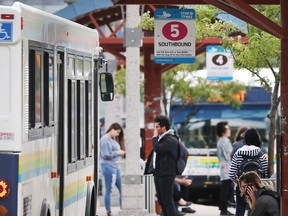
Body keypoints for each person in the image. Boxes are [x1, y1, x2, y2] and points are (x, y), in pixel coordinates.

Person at [229, 127, 269, 216]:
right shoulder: (261, 155)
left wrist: (241, 184)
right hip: (257, 189)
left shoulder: (238, 154)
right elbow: (266, 174)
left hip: (241, 189)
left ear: (245, 139)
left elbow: (231, 174)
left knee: (240, 210)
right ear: (258, 139)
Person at [153, 115, 179, 216]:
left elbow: (158, 148)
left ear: (164, 127)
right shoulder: (161, 138)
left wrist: (154, 138)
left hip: (167, 173)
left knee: (168, 200)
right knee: (161, 200)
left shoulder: (171, 139)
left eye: (157, 127)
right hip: (159, 173)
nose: (156, 129)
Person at [100, 123, 126, 216]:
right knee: (109, 190)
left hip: (116, 166)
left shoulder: (112, 139)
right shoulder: (104, 140)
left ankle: (123, 208)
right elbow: (106, 155)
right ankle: (108, 211)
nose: (118, 134)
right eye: (117, 132)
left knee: (122, 189)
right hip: (108, 166)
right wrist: (118, 153)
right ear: (112, 129)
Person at [216, 121, 235, 216]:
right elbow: (229, 156)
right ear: (223, 131)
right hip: (227, 169)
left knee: (226, 189)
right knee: (226, 190)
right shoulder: (225, 141)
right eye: (228, 129)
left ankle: (224, 209)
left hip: (224, 169)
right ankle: (223, 210)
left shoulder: (221, 140)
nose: (229, 130)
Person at [230, 126, 248, 216]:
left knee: (240, 208)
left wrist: (237, 182)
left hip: (241, 181)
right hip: (254, 183)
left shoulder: (236, 145)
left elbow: (232, 170)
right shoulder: (257, 149)